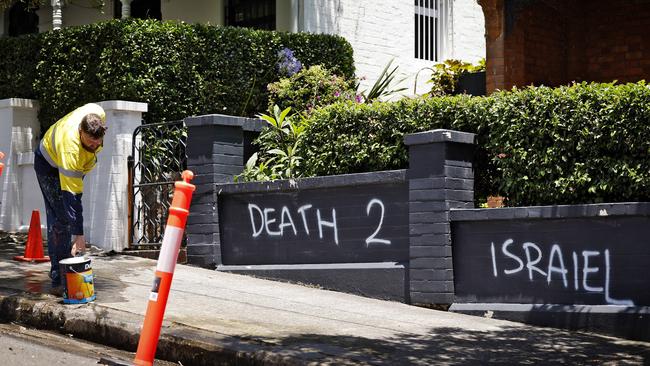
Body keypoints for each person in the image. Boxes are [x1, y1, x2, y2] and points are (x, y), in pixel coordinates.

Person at [34, 103, 106, 296]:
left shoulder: (97, 113)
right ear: (81, 132)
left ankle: (64, 269)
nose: (94, 146)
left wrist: (78, 231)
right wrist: (79, 235)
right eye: (90, 143)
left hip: (69, 162)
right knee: (62, 218)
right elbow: (72, 197)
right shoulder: (71, 150)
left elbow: (75, 194)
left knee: (64, 216)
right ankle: (60, 276)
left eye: (97, 143)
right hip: (48, 165)